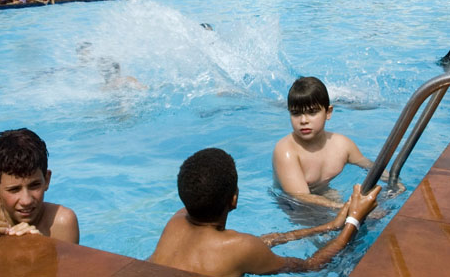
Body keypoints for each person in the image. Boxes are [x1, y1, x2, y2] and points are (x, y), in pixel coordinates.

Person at [148, 148, 381, 277]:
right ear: (234, 199)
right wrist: (354, 219)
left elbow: (256, 245)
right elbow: (311, 265)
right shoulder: (241, 248)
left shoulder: (176, 221)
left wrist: (328, 226)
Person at [273, 77, 388, 209]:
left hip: (327, 195)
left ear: (328, 112)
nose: (303, 120)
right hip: (294, 206)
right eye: (296, 113)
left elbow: (370, 166)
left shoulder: (342, 145)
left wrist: (393, 182)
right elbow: (300, 197)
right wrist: (345, 207)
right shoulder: (286, 150)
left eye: (312, 112)